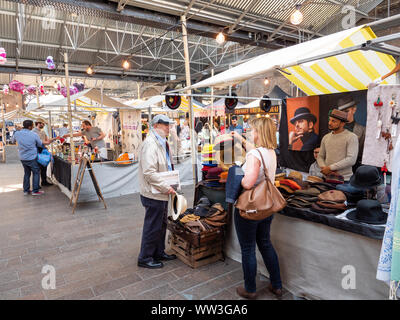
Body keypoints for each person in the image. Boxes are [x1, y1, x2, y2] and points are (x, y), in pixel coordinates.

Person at [230, 117, 283, 299]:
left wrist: (238, 171)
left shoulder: (254, 155)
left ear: (259, 132)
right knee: (266, 244)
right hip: (266, 206)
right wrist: (239, 139)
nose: (252, 132)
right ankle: (277, 285)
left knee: (248, 249)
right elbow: (255, 154)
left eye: (253, 130)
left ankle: (250, 289)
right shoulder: (270, 152)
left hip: (250, 208)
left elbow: (248, 182)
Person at [138, 114, 177, 269]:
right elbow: (149, 173)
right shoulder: (151, 144)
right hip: (154, 192)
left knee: (161, 224)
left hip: (161, 191)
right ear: (155, 126)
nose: (168, 127)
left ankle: (158, 252)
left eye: (168, 124)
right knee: (152, 226)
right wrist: (165, 187)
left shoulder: (161, 142)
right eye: (165, 124)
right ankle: (145, 257)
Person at [317, 109, 359, 181]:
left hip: (344, 180)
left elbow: (351, 159)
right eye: (329, 120)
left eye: (333, 121)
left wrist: (330, 168)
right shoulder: (326, 137)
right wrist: (324, 168)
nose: (329, 123)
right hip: (326, 178)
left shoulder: (351, 137)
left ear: (342, 123)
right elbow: (320, 156)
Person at [12, 120, 45, 196]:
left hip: (22, 157)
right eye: (32, 125)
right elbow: (40, 144)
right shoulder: (34, 134)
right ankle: (35, 191)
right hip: (32, 156)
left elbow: (12, 140)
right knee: (36, 173)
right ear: (30, 126)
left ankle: (26, 190)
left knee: (27, 173)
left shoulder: (17, 133)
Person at [337, 96, 366, 170]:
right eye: (341, 112)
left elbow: (362, 154)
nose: (344, 114)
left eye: (346, 111)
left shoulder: (362, 130)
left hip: (354, 169)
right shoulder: (334, 129)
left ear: (354, 109)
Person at [32, 119, 58, 186]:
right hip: (37, 150)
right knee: (37, 168)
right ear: (38, 123)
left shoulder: (42, 131)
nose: (43, 125)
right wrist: (47, 142)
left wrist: (54, 139)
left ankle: (44, 181)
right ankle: (36, 184)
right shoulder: (34, 132)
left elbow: (47, 140)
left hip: (43, 150)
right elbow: (39, 142)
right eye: (43, 124)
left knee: (44, 166)